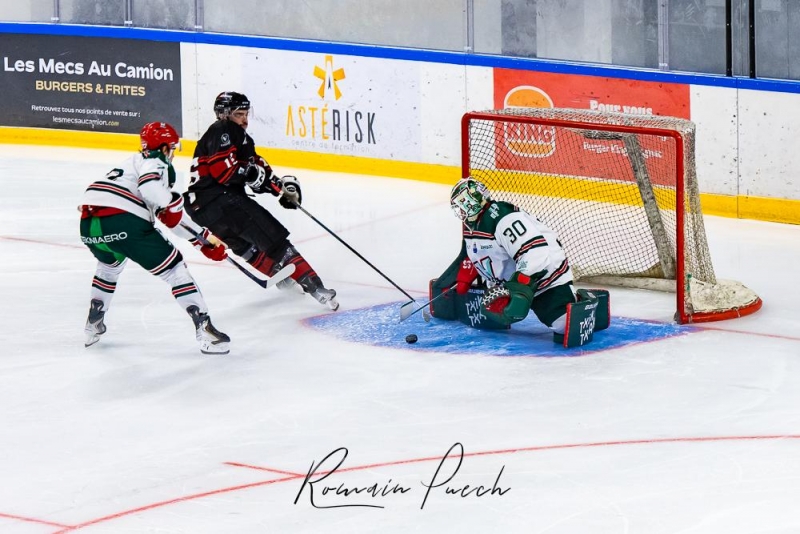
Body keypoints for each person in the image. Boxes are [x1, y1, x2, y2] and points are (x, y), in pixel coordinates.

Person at [79, 121, 231, 355]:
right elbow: (151, 189)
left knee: (109, 266)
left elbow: (169, 216)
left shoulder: (130, 164)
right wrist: (172, 205)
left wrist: (202, 239)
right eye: (171, 148)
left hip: (90, 225)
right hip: (124, 220)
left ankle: (93, 323)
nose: (171, 154)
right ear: (163, 148)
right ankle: (205, 329)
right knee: (174, 269)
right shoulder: (155, 162)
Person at [183, 91, 339, 311]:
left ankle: (284, 280)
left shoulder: (239, 138)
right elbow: (224, 173)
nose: (245, 120)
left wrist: (280, 190)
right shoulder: (223, 130)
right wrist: (253, 173)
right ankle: (317, 289)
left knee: (246, 248)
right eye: (239, 114)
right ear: (224, 114)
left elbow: (256, 170)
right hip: (223, 201)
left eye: (246, 114)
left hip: (202, 211)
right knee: (275, 241)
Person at [431, 177, 608, 347]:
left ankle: (588, 301)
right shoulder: (474, 226)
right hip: (512, 283)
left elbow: (535, 252)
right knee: (493, 315)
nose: (460, 213)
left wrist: (520, 286)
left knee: (563, 324)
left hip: (543, 276)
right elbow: (479, 254)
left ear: (469, 203)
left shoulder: (501, 217)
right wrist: (463, 277)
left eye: (461, 207)